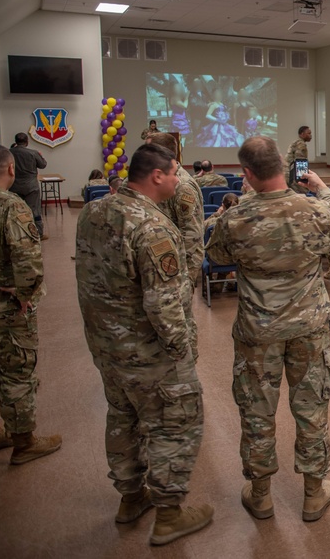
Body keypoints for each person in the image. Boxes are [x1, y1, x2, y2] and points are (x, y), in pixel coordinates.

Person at [206, 136, 330, 524]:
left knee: (257, 412)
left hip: (258, 331)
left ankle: (262, 495)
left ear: (247, 174)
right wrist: (322, 189)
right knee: (312, 409)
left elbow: (217, 256)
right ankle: (314, 494)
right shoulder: (315, 211)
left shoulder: (235, 218)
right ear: (284, 167)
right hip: (309, 327)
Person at [75, 144, 212, 546]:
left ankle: (131, 498)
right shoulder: (152, 227)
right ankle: (169, 515)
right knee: (176, 422)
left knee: (122, 418)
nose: (178, 178)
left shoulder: (93, 211)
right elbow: (163, 304)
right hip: (148, 353)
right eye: (174, 172)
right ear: (157, 176)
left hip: (106, 346)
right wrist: (182, 352)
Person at [0, 144, 62, 464]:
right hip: (5, 308)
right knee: (17, 372)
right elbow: (29, 262)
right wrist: (25, 294)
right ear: (10, 169)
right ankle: (24, 441)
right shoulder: (10, 207)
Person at [146, 133, 204, 294]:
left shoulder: (182, 186)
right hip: (151, 267)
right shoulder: (149, 177)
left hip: (174, 273)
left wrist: (185, 280)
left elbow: (193, 237)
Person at [8, 133, 48, 238]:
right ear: (27, 142)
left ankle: (18, 234)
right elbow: (43, 165)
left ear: (15, 141)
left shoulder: (8, 153)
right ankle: (39, 233)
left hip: (14, 185)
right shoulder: (33, 153)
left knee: (16, 210)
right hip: (31, 186)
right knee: (35, 210)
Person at [285, 126, 313, 192]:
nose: (310, 136)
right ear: (302, 134)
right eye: (308, 133)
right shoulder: (301, 144)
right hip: (292, 174)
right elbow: (300, 163)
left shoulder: (296, 142)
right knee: (303, 193)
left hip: (288, 173)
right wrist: (304, 179)